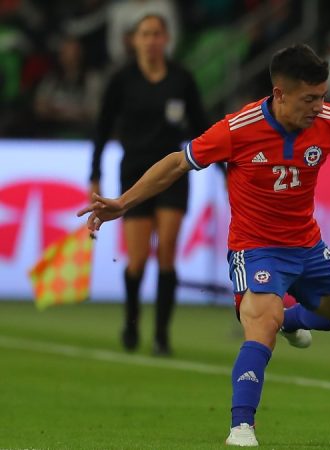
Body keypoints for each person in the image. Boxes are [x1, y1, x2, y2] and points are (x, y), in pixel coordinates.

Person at [79, 43, 330, 447]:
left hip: (308, 246)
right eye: (309, 98)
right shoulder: (238, 129)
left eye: (323, 96)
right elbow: (177, 163)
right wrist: (122, 201)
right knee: (261, 327)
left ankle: (291, 321)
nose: (319, 106)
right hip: (256, 248)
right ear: (280, 94)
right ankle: (241, 427)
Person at [89, 14, 208, 356]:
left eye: (157, 34)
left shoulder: (182, 79)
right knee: (138, 258)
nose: (152, 40)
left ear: (166, 38)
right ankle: (131, 320)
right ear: (135, 40)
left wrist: (226, 171)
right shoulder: (122, 80)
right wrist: (94, 174)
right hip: (136, 175)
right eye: (146, 34)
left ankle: (161, 335)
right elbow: (102, 129)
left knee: (167, 248)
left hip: (172, 172)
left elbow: (202, 128)